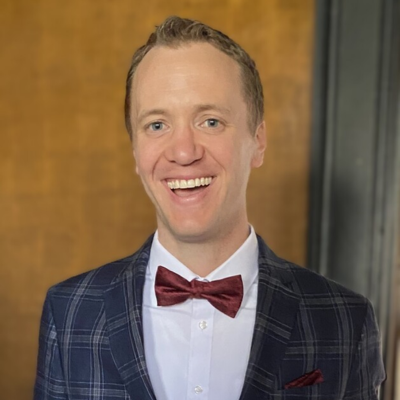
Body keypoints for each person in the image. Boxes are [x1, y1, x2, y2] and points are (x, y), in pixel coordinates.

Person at [34, 16, 385, 400]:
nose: (184, 152)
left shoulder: (344, 319)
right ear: (135, 150)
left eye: (210, 121)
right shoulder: (69, 313)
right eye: (157, 125)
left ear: (258, 140)